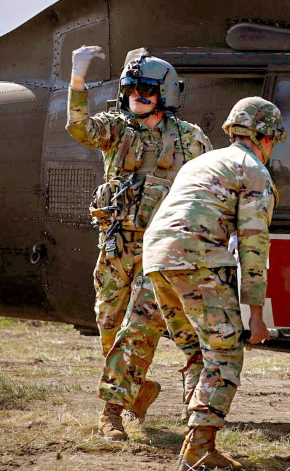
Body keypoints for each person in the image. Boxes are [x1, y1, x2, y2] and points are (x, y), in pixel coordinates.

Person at [66, 46, 212, 441]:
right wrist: (78, 78)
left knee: (139, 327)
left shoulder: (190, 139)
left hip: (160, 251)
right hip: (116, 246)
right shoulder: (116, 129)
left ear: (165, 95)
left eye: (147, 91)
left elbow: (211, 188)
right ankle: (138, 390)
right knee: (109, 325)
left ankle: (111, 411)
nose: (139, 98)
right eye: (133, 91)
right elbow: (80, 128)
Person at [142, 97, 286, 471]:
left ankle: (196, 436)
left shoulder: (202, 161)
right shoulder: (253, 171)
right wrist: (256, 317)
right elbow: (254, 247)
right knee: (224, 352)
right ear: (267, 137)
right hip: (196, 256)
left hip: (157, 258)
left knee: (197, 350)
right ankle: (200, 446)